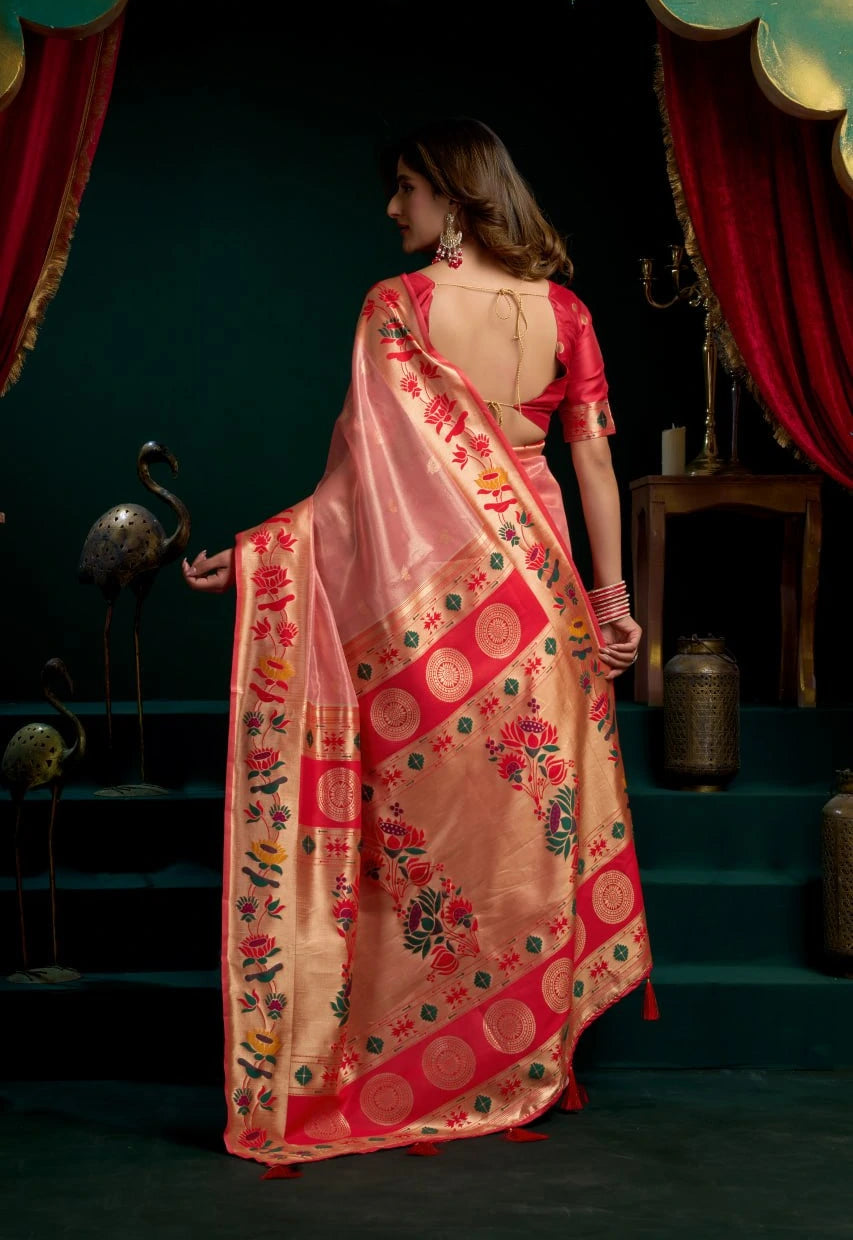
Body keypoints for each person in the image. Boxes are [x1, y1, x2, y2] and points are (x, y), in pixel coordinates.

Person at [183, 116, 653, 1173]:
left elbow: (355, 503)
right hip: (536, 603)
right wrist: (611, 603)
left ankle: (428, 1065)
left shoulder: (396, 310)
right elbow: (589, 472)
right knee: (518, 834)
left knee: (428, 841)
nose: (392, 209)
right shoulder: (564, 312)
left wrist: (263, 558)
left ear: (454, 193)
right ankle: (516, 1058)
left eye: (405, 188)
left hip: (430, 620)